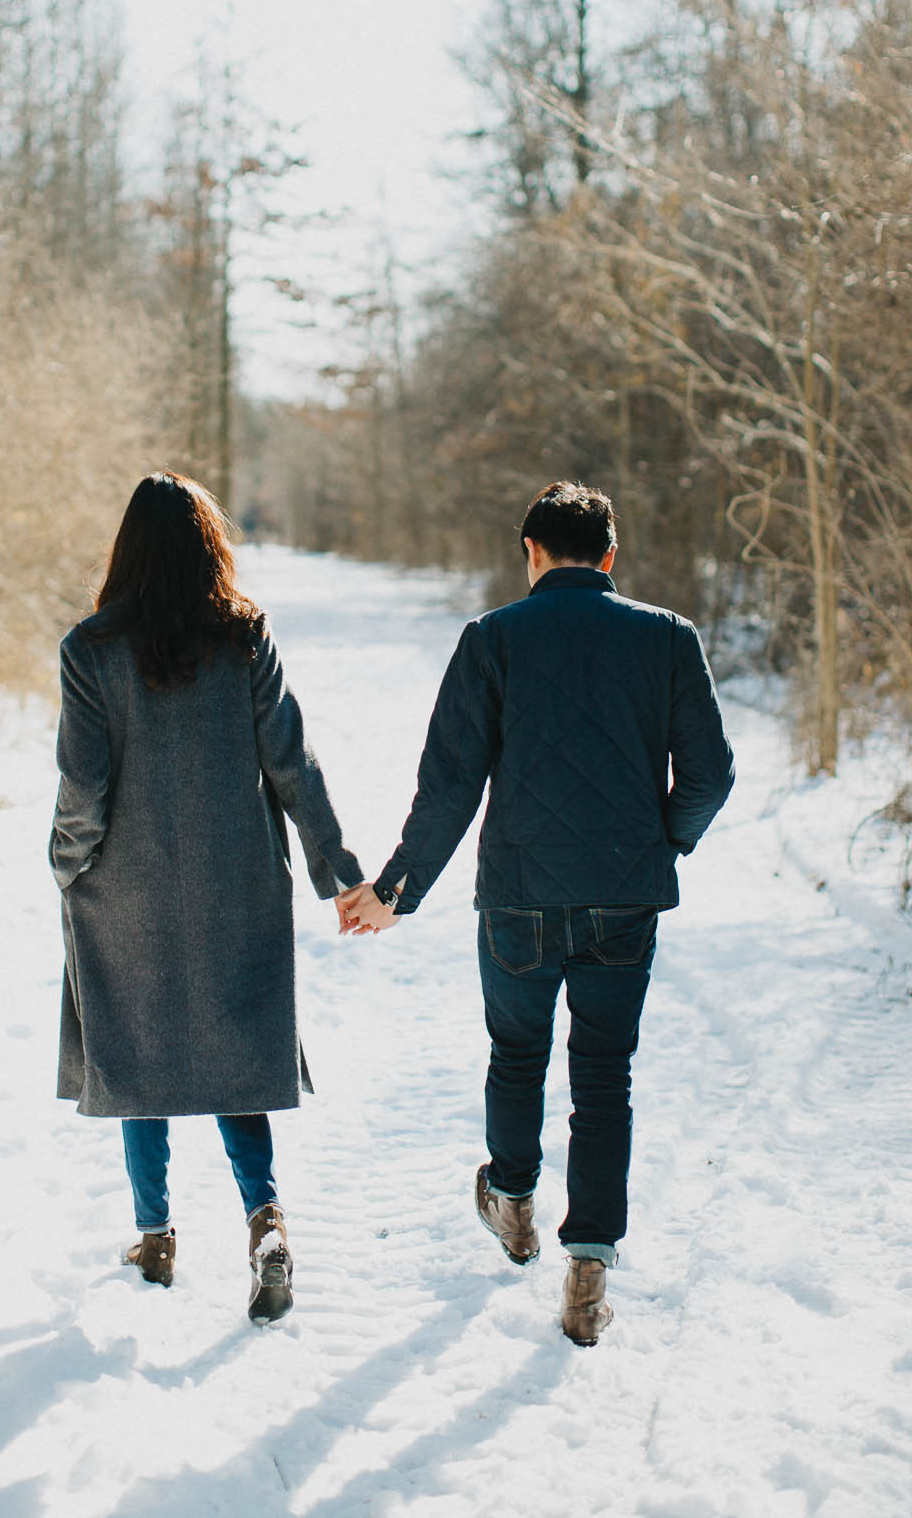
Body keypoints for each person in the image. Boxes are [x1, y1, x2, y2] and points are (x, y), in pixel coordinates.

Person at [342, 480, 734, 1345]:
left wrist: (392, 893)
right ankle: (588, 1263)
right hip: (625, 899)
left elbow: (448, 788)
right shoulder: (668, 639)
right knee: (604, 1077)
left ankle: (512, 1200)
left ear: (530, 552)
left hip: (517, 896)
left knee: (516, 1052)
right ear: (609, 555)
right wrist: (659, 846)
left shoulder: (492, 639)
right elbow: (709, 774)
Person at [48, 472, 364, 1322]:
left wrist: (67, 864)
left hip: (127, 884)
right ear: (207, 548)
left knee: (137, 1048)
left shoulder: (90, 649)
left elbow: (84, 784)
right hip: (238, 882)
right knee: (233, 1060)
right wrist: (339, 874)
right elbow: (292, 762)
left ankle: (154, 1236)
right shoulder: (244, 636)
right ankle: (265, 1224)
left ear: (127, 550)